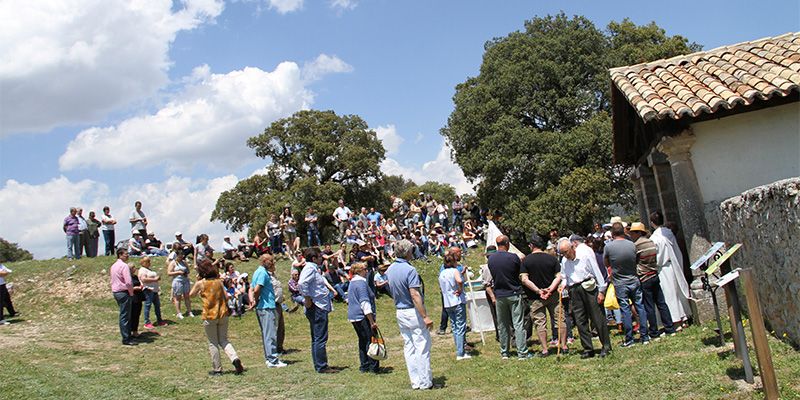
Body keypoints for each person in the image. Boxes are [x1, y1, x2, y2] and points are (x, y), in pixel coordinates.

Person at [386, 239, 433, 390]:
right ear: (407, 252)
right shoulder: (410, 270)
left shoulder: (391, 268)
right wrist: (425, 316)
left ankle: (416, 381)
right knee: (422, 345)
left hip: (400, 311)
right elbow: (415, 294)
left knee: (409, 347)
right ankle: (425, 381)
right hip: (412, 310)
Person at [189, 259, 245, 376]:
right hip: (223, 314)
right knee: (224, 340)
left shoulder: (201, 283)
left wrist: (197, 282)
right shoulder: (219, 282)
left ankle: (217, 369)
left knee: (213, 342)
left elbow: (191, 295)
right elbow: (226, 296)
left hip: (209, 315)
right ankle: (234, 358)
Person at [558, 238, 612, 359]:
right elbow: (564, 276)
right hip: (574, 290)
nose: (565, 255)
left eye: (566, 252)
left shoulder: (585, 255)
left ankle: (606, 346)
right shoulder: (564, 261)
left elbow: (596, 271)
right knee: (580, 319)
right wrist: (562, 286)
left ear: (572, 247)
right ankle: (588, 348)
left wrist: (601, 291)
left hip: (588, 287)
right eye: (562, 253)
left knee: (597, 317)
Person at [604, 222, 650, 347]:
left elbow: (606, 263)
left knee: (625, 309)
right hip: (634, 279)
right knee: (640, 306)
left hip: (620, 282)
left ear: (613, 233)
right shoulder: (632, 245)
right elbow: (636, 260)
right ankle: (645, 336)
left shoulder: (609, 247)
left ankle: (629, 339)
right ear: (624, 232)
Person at [521, 233, 566, 357]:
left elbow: (524, 279)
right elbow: (559, 276)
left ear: (531, 246)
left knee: (540, 323)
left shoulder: (526, 260)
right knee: (559, 320)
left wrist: (538, 291)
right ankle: (564, 346)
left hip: (535, 297)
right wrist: (550, 289)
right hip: (553, 295)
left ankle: (545, 349)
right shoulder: (552, 259)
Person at [629, 222, 676, 339]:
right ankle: (669, 327)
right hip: (654, 274)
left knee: (649, 306)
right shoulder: (650, 242)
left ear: (638, 233)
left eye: (633, 232)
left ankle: (654, 331)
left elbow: (635, 260)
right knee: (661, 302)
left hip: (644, 276)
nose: (631, 235)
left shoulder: (637, 245)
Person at [488, 235, 530, 359]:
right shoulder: (513, 257)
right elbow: (519, 273)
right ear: (507, 244)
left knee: (503, 325)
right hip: (514, 293)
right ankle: (522, 352)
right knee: (518, 324)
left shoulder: (491, 259)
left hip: (500, 294)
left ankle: (504, 352)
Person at [649, 211, 692, 327]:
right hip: (673, 265)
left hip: (663, 268)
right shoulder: (669, 233)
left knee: (669, 294)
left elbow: (657, 255)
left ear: (652, 223)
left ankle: (675, 320)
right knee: (677, 291)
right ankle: (683, 316)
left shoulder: (654, 238)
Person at [299, 247, 337, 373]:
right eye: (320, 256)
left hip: (319, 305)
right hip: (317, 306)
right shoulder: (310, 268)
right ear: (314, 258)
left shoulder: (314, 269)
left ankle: (320, 364)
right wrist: (307, 298)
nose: (322, 258)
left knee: (317, 337)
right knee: (320, 337)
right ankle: (322, 366)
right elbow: (302, 283)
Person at [249, 254, 287, 368]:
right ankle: (273, 360)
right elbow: (256, 289)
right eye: (270, 261)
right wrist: (255, 300)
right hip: (267, 307)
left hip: (264, 306)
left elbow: (250, 288)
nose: (272, 263)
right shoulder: (262, 273)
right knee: (270, 334)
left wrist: (252, 301)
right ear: (264, 261)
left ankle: (269, 357)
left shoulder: (257, 272)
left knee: (267, 334)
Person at [347, 262, 380, 373]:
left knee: (362, 340)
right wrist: (371, 321)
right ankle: (373, 366)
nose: (367, 271)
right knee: (370, 340)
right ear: (359, 271)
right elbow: (364, 303)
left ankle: (364, 365)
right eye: (365, 269)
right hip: (362, 316)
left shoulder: (352, 282)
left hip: (353, 316)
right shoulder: (361, 283)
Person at [439, 252, 470, 360]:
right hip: (456, 301)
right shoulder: (454, 271)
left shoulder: (442, 273)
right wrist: (460, 289)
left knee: (455, 326)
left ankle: (459, 349)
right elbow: (460, 280)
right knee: (461, 326)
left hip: (447, 302)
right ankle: (461, 352)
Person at [110, 249, 136, 345]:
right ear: (120, 255)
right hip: (123, 292)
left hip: (116, 291)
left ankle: (127, 335)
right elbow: (128, 282)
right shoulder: (124, 266)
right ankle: (126, 338)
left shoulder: (113, 266)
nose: (127, 256)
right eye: (126, 254)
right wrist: (131, 292)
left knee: (123, 314)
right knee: (125, 315)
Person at [138, 256, 167, 329]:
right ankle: (147, 322)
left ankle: (159, 320)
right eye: (147, 262)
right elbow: (143, 279)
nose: (149, 263)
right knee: (147, 306)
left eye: (149, 261)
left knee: (157, 306)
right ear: (143, 262)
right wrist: (154, 279)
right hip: (148, 289)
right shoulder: (142, 270)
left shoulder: (149, 270)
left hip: (154, 290)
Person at [480, 245, 499, 342]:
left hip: (499, 290)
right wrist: (493, 297)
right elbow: (487, 285)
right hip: (493, 291)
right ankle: (499, 335)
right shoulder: (487, 268)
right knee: (496, 314)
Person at [168, 251, 194, 319]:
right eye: (180, 255)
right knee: (178, 297)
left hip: (185, 280)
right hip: (177, 281)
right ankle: (179, 313)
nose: (181, 256)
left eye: (182, 255)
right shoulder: (173, 263)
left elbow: (188, 270)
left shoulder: (184, 262)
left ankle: (189, 311)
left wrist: (185, 272)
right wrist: (178, 272)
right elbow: (169, 273)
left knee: (187, 296)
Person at [129, 262, 146, 339]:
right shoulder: (128, 277)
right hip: (132, 297)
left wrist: (141, 287)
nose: (135, 269)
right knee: (132, 314)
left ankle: (135, 331)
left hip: (138, 297)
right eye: (133, 268)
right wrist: (135, 288)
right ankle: (130, 331)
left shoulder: (135, 276)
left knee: (137, 314)